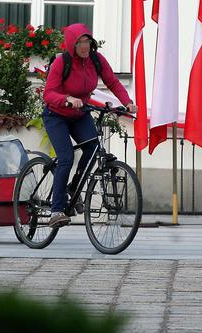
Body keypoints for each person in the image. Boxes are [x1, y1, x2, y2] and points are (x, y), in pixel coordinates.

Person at [43, 23, 136, 228]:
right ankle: (56, 210)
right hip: (56, 115)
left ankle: (73, 189)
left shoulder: (96, 59)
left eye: (87, 42)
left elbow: (113, 82)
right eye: (80, 43)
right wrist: (67, 98)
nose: (85, 46)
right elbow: (48, 93)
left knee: (93, 147)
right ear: (71, 44)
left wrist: (126, 102)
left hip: (80, 114)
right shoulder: (62, 62)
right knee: (66, 158)